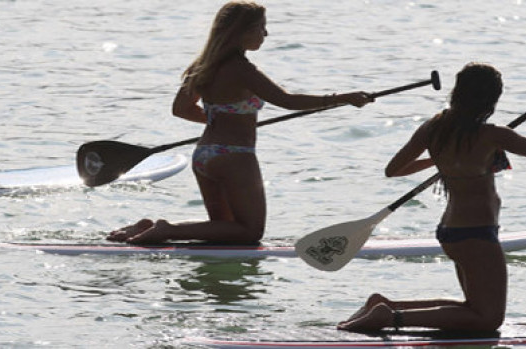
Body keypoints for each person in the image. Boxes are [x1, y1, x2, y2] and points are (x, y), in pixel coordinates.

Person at [337, 63, 526, 332]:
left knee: (473, 309)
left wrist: (441, 158)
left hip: (451, 231)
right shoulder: (492, 134)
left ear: (458, 92)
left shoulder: (435, 128)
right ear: (491, 99)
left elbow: (394, 169)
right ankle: (390, 317)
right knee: (488, 320)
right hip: (477, 234)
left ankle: (386, 304)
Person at [107, 1, 372, 244]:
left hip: (205, 154)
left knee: (224, 229)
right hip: (234, 156)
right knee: (249, 233)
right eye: (260, 28)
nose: (265, 34)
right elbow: (287, 100)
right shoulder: (241, 69)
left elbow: (181, 109)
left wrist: (220, 121)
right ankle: (167, 228)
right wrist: (342, 98)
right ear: (241, 32)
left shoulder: (204, 66)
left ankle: (147, 227)